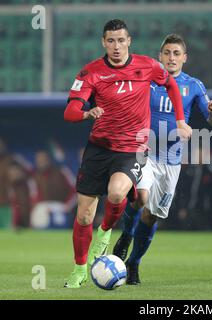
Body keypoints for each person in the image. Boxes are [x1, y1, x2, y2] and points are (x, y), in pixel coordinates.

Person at [63, 20, 191, 288]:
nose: (116, 46)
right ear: (103, 43)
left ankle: (105, 232)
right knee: (84, 215)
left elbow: (171, 86)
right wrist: (87, 112)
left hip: (131, 148)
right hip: (99, 148)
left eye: (121, 40)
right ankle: (78, 270)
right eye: (111, 41)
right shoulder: (92, 72)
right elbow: (70, 111)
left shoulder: (147, 66)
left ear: (129, 41)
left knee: (118, 193)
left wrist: (180, 120)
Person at [112, 34, 212, 285]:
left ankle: (134, 263)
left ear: (184, 58)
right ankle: (125, 237)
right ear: (160, 56)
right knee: (140, 197)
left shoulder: (194, 86)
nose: (171, 58)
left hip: (172, 161)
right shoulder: (147, 78)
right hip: (144, 152)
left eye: (176, 53)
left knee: (153, 216)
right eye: (167, 53)